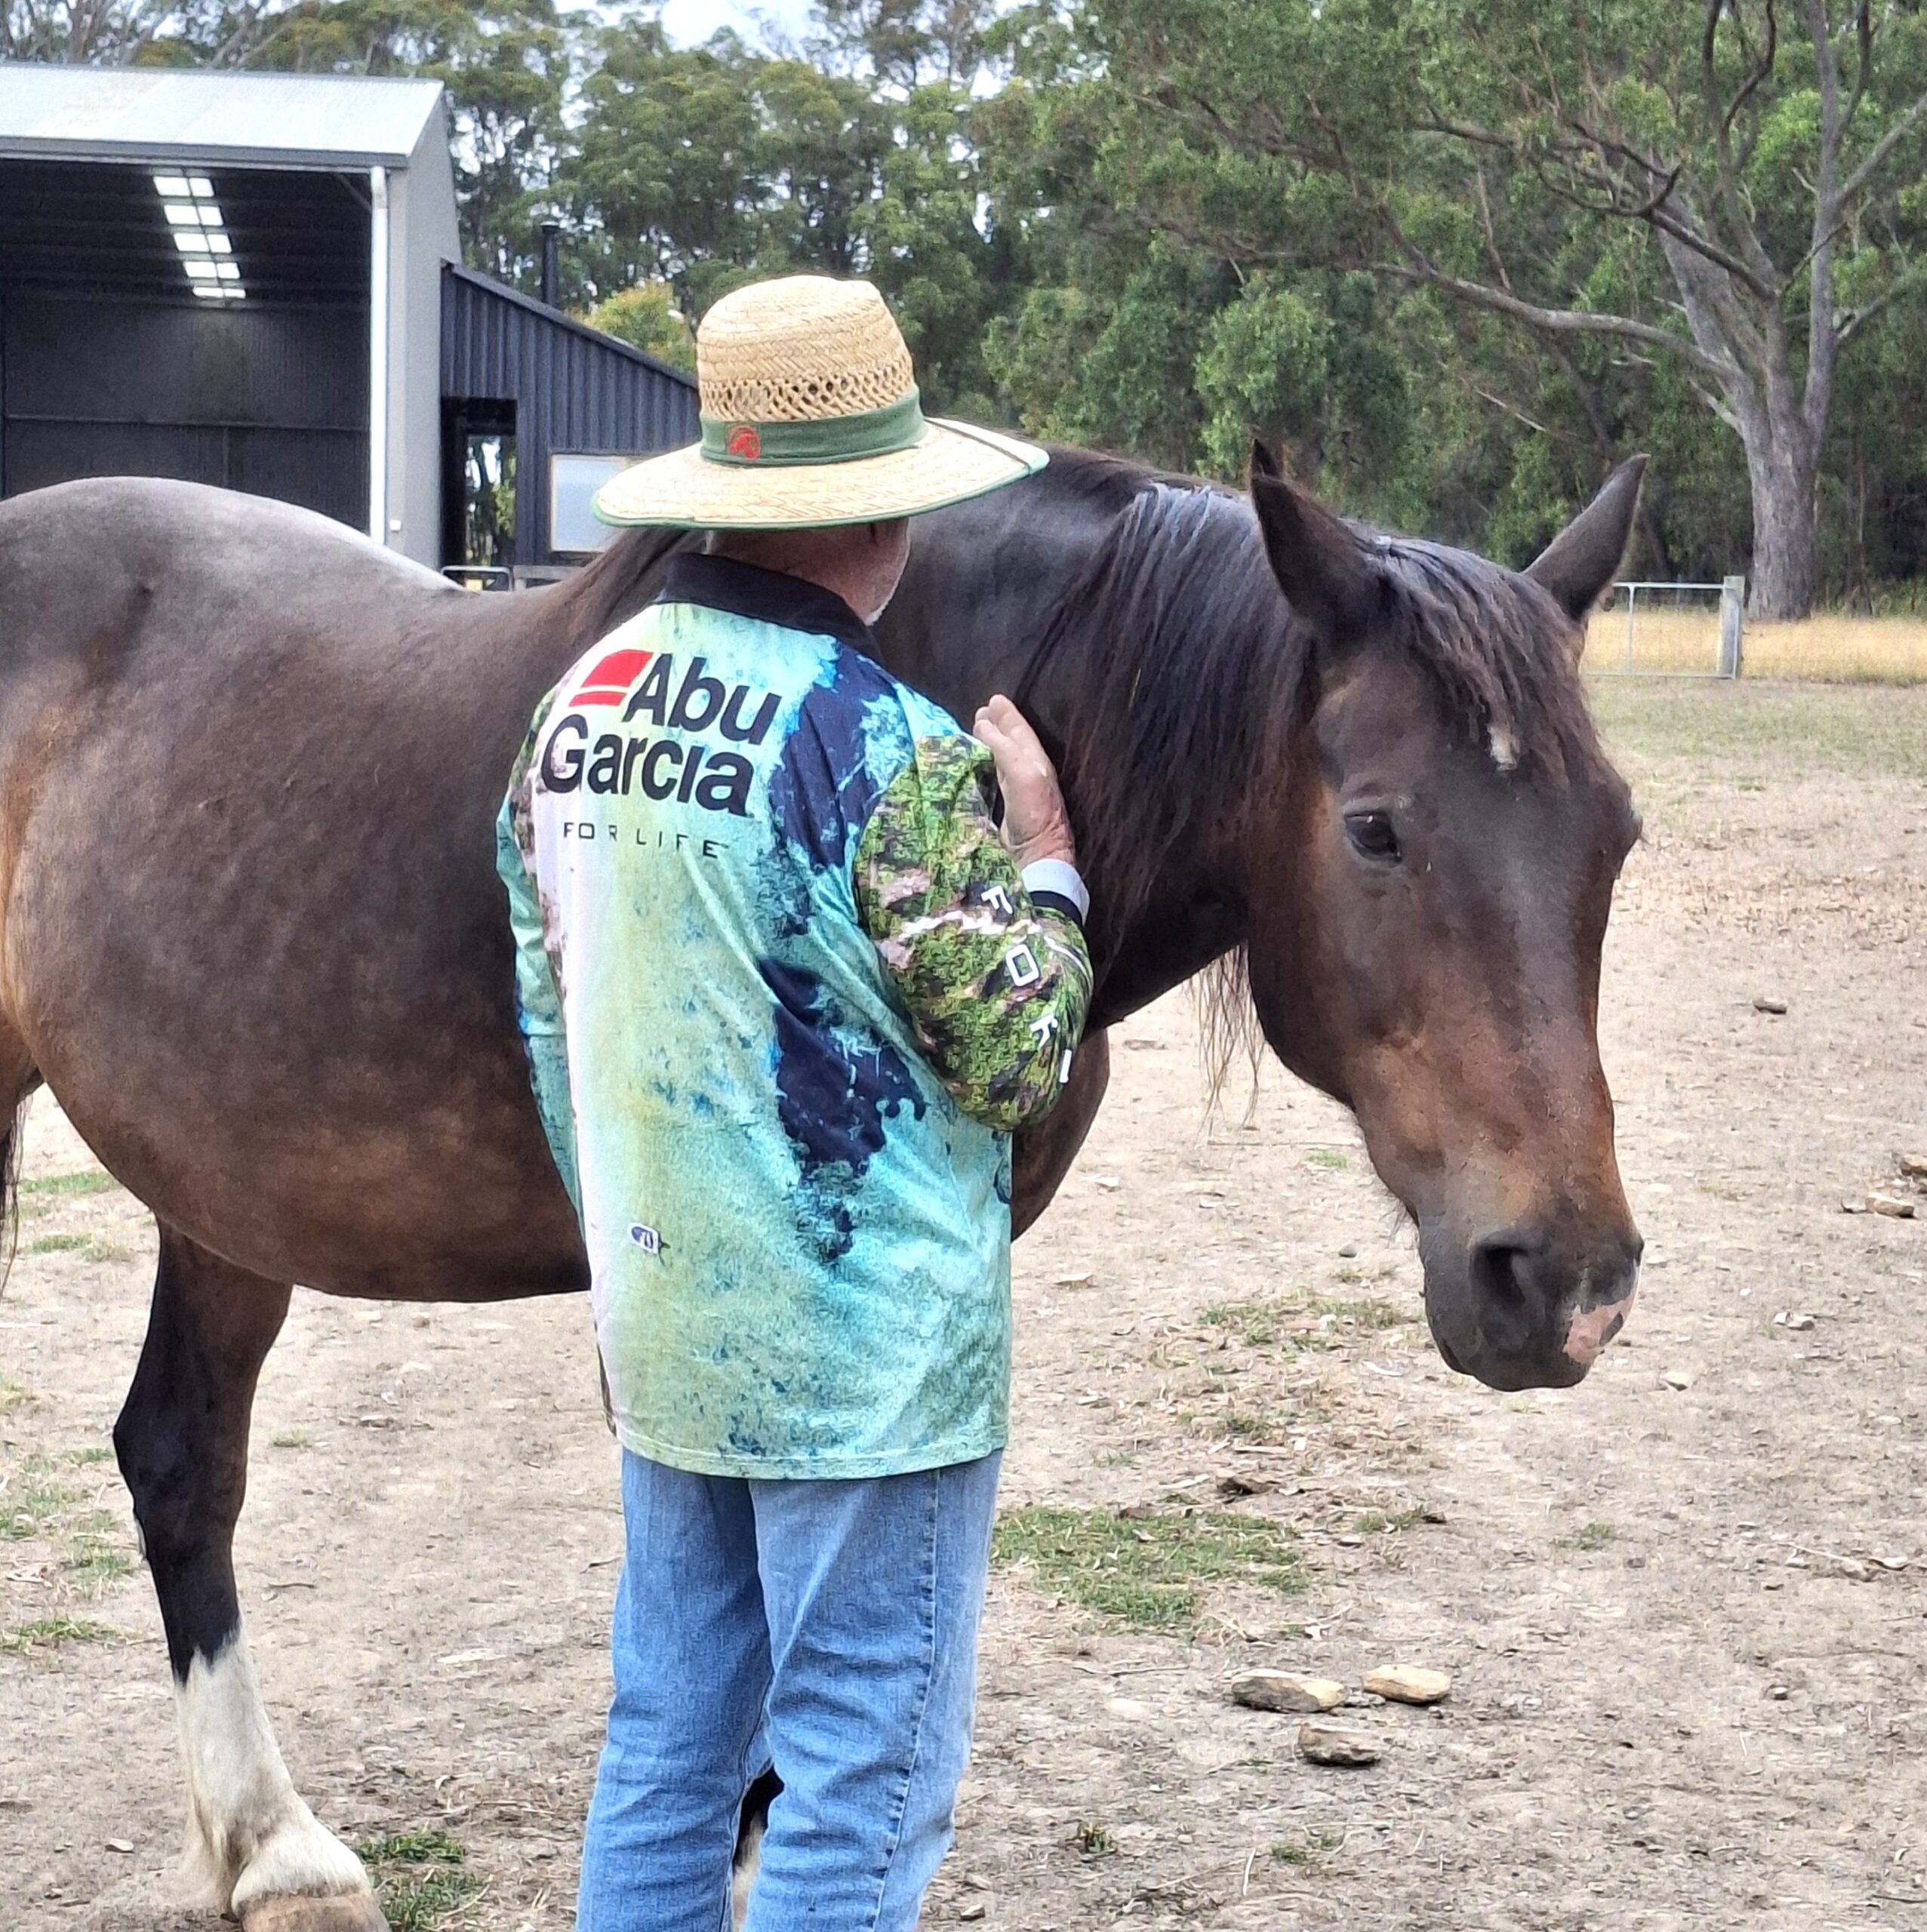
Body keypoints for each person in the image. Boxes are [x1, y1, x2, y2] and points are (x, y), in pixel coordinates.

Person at [495, 273, 1093, 1930]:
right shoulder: (889, 747)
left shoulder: (576, 713)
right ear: (882, 514)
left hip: (666, 1321)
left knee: (669, 1747)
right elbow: (1015, 1056)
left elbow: (552, 1014)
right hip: (866, 1374)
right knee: (857, 1779)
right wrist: (1044, 865)